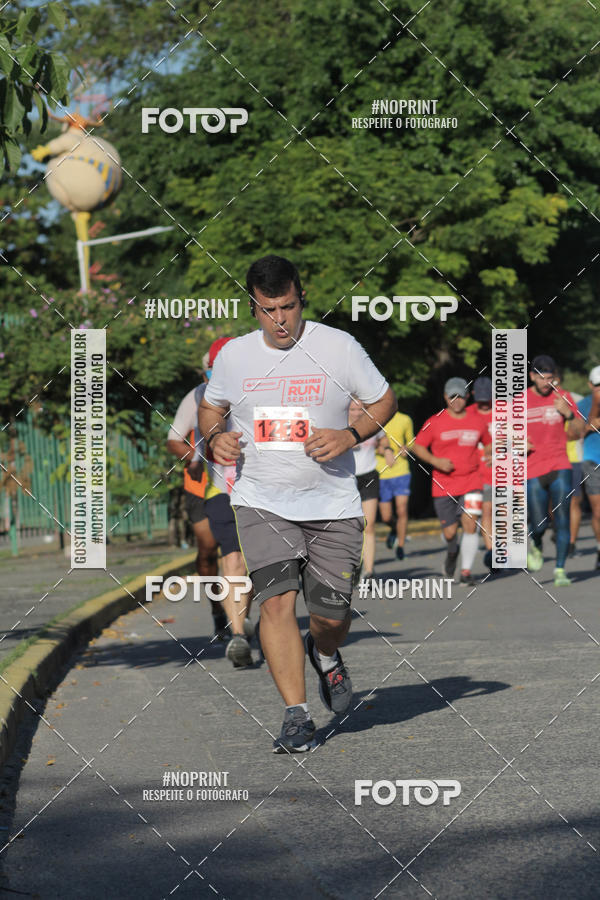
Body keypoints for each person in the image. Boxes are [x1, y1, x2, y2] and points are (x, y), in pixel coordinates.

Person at [199, 254, 396, 753]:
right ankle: (296, 715)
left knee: (331, 616)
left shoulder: (339, 346)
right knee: (277, 603)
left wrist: (349, 435)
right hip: (262, 500)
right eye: (268, 310)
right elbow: (210, 407)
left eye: (287, 307)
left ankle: (325, 653)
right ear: (253, 307)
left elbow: (384, 400)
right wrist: (215, 437)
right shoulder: (235, 357)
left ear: (301, 297)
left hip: (331, 500)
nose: (280, 320)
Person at [167, 349, 254, 665]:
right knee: (208, 550)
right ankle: (223, 615)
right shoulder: (198, 396)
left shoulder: (256, 389)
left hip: (255, 489)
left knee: (245, 561)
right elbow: (174, 439)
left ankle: (238, 622)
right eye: (211, 374)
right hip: (204, 483)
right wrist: (192, 457)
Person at [202, 337, 255, 667]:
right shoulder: (206, 402)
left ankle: (251, 618)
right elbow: (190, 439)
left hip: (264, 493)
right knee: (233, 560)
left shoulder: (263, 391)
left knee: (256, 567)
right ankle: (238, 636)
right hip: (222, 492)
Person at [412, 377, 491, 586]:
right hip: (443, 485)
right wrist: (435, 460)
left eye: (461, 396)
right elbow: (418, 447)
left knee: (470, 523)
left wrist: (491, 454)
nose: (457, 400)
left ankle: (465, 571)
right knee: (449, 533)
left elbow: (488, 443)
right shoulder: (435, 421)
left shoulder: (477, 421)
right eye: (453, 396)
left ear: (467, 397)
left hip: (472, 481)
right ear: (446, 397)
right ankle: (452, 551)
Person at [525, 355, 584, 586]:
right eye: (542, 378)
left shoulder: (564, 397)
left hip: (560, 464)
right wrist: (516, 442)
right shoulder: (519, 401)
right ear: (532, 376)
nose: (547, 383)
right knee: (539, 523)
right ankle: (536, 542)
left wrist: (568, 414)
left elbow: (580, 429)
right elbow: (504, 433)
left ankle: (560, 569)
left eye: (550, 378)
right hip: (533, 467)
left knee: (562, 517)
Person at [375, 410, 414, 561]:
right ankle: (393, 529)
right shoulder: (375, 418)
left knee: (402, 508)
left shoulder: (405, 419)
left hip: (401, 471)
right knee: (386, 516)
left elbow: (411, 442)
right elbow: (368, 444)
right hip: (381, 472)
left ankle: (401, 546)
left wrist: (407, 448)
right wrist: (380, 450)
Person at [348, 397, 380, 581]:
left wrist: (389, 451)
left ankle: (369, 572)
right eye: (353, 410)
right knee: (351, 527)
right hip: (347, 478)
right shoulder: (340, 425)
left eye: (361, 410)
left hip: (369, 475)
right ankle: (352, 568)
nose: (357, 414)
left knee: (369, 524)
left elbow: (383, 442)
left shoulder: (372, 422)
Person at [468, 377, 494, 573]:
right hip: (476, 473)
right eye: (481, 399)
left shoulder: (504, 412)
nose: (485, 403)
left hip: (502, 471)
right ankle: (492, 552)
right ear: (474, 395)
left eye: (489, 398)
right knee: (485, 511)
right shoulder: (467, 414)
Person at [577, 365, 600, 570]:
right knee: (598, 511)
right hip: (592, 460)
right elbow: (577, 432)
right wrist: (593, 420)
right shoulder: (583, 404)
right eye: (598, 385)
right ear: (590, 385)